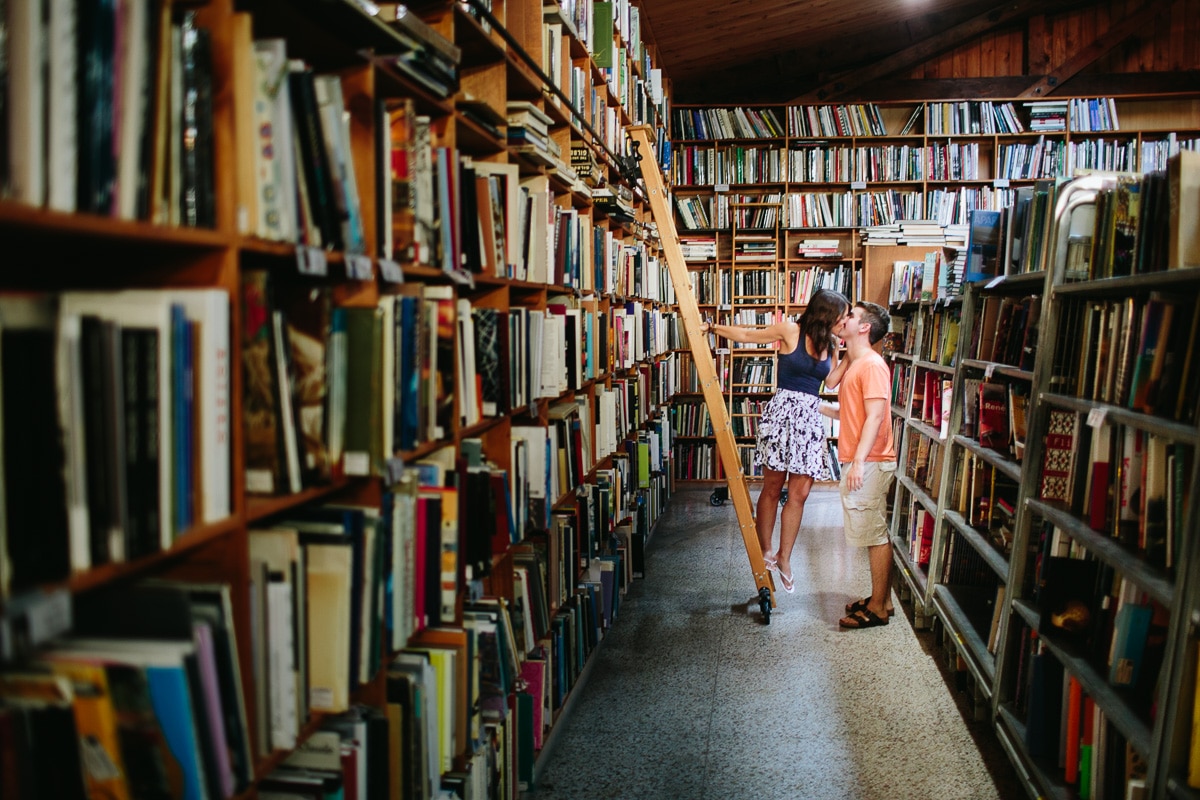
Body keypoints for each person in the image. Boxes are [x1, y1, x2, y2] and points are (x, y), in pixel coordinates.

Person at [701, 288, 850, 594]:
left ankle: (785, 557)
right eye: (841, 316)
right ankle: (766, 549)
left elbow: (831, 381)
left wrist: (852, 355)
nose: (843, 322)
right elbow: (747, 335)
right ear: (826, 314)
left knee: (800, 494)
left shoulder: (833, 343)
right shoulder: (790, 330)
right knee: (772, 487)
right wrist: (713, 327)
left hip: (808, 418)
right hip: (782, 415)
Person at [822, 301, 898, 629]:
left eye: (850, 316)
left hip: (870, 460)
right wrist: (818, 409)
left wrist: (858, 462)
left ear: (865, 327)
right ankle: (883, 598)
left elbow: (876, 417)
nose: (843, 318)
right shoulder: (857, 362)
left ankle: (879, 608)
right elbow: (839, 397)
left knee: (874, 533)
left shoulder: (872, 365)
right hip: (863, 458)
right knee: (870, 530)